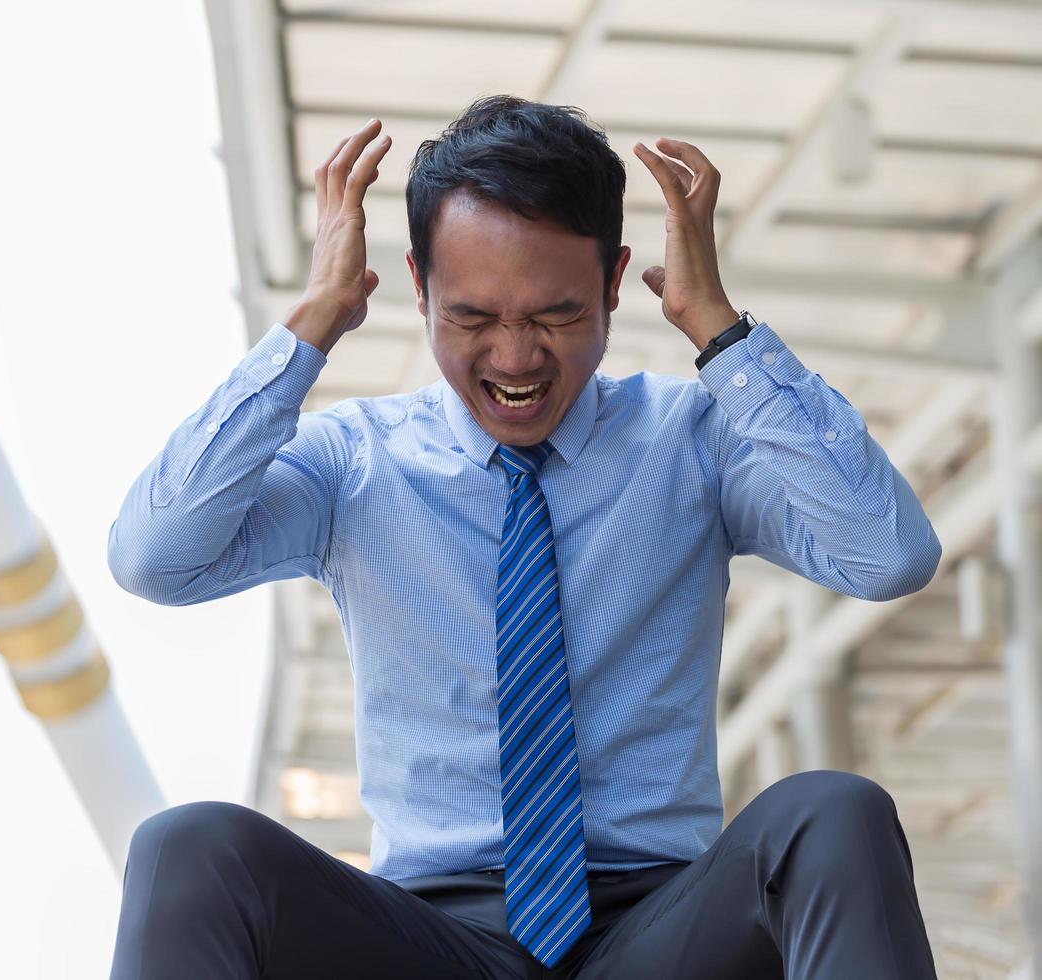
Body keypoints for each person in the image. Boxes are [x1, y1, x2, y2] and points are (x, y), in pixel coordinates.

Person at [104, 96, 942, 979]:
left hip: (659, 933)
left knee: (834, 814)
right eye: (471, 318)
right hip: (430, 940)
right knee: (187, 848)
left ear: (616, 285)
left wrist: (721, 335)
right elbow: (154, 558)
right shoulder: (357, 463)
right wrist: (311, 321)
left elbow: (889, 555)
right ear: (418, 288)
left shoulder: (691, 442)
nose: (513, 357)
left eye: (554, 316)